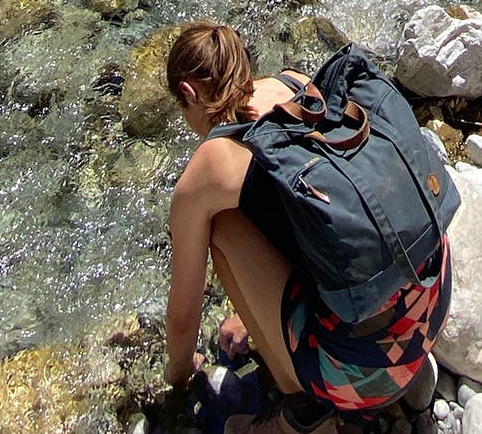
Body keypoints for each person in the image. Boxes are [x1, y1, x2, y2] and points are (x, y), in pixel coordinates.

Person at [162, 23, 451, 434]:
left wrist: (177, 384)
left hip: (371, 374)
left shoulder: (212, 165)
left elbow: (182, 319)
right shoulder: (295, 84)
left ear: (189, 95)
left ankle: (302, 415)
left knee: (221, 226)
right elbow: (319, 219)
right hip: (431, 307)